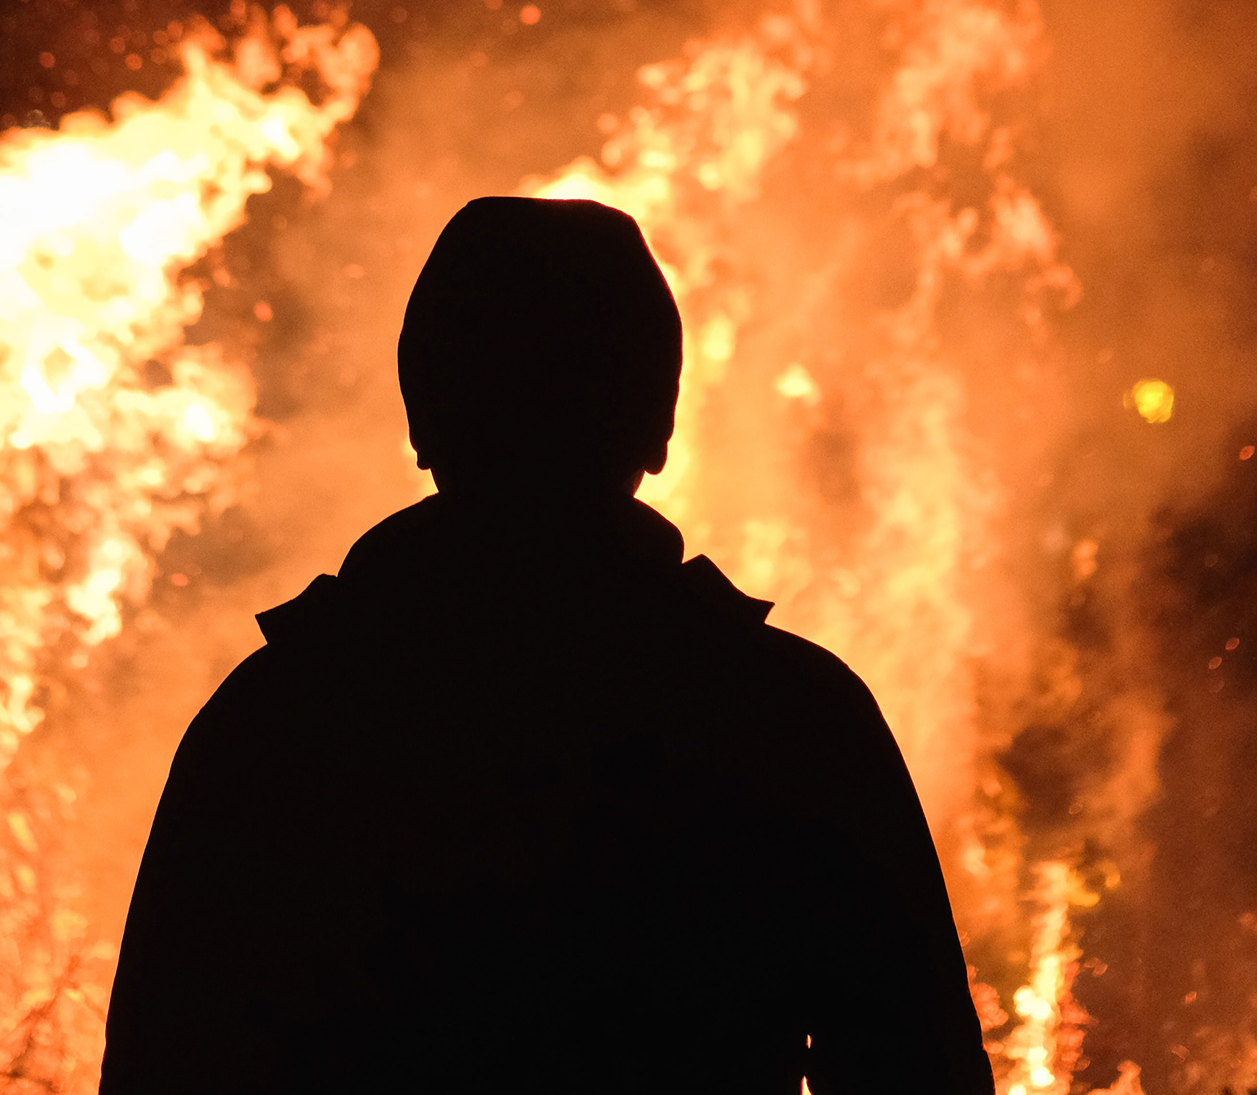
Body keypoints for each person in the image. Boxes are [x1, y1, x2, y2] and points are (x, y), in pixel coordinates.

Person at [101, 196, 994, 1094]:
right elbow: (918, 1069)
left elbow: (161, 1062)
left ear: (423, 414)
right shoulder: (793, 719)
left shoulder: (279, 721)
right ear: (658, 423)